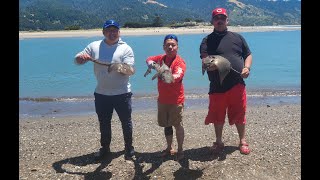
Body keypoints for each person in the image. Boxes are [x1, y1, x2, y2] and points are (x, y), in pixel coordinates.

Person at [74, 20, 136, 160]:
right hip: (101, 93)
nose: (112, 33)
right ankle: (105, 148)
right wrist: (81, 58)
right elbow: (77, 59)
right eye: (109, 30)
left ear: (119, 32)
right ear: (103, 32)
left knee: (126, 121)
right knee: (104, 122)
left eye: (115, 30)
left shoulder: (126, 48)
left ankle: (129, 147)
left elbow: (130, 70)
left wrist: (117, 67)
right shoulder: (94, 46)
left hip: (122, 93)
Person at [199, 8, 253, 155]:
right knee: (218, 115)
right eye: (217, 18)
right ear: (212, 22)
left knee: (239, 113)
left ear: (227, 20)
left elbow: (248, 54)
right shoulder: (206, 40)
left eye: (223, 17)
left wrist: (247, 68)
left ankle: (242, 140)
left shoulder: (238, 37)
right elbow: (204, 60)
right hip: (217, 85)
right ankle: (219, 141)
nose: (220, 20)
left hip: (237, 83)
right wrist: (209, 65)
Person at [146, 34, 186, 161]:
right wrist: (152, 65)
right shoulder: (160, 58)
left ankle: (180, 150)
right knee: (166, 125)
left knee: (177, 125)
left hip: (176, 101)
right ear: (163, 47)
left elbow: (177, 76)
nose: (170, 47)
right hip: (162, 100)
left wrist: (167, 75)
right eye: (168, 45)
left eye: (173, 45)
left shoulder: (179, 62)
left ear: (177, 47)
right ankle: (169, 148)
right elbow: (148, 59)